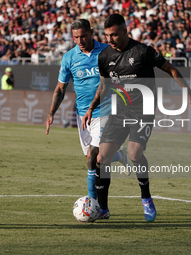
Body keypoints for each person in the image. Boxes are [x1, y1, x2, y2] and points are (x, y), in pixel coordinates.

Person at [81, 14, 191, 222]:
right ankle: (103, 208)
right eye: (107, 35)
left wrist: (189, 95)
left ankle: (146, 197)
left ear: (125, 31)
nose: (110, 39)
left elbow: (171, 69)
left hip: (142, 111)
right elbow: (104, 85)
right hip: (118, 112)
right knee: (102, 158)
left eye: (114, 35)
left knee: (135, 153)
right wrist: (91, 107)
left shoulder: (143, 51)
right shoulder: (104, 56)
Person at [45, 19, 131, 203]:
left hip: (106, 110)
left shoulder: (107, 51)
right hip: (83, 114)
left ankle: (93, 201)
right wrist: (51, 113)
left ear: (91, 32)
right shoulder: (69, 57)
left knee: (95, 156)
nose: (80, 40)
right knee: (91, 160)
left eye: (83, 36)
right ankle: (120, 155)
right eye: (76, 37)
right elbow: (60, 88)